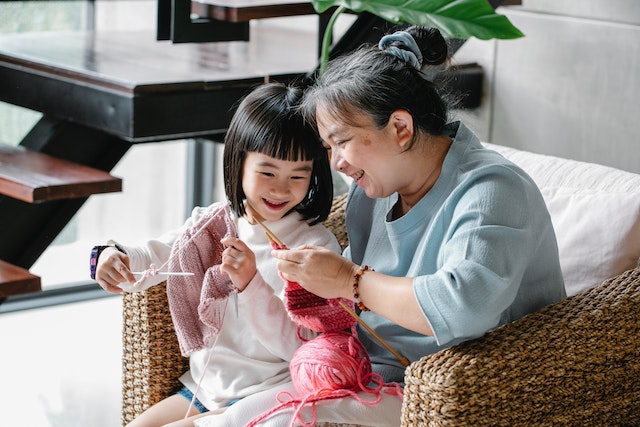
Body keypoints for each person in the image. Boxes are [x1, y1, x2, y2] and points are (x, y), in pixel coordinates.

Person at [193, 26, 566, 426]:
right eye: (328, 148)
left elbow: (466, 306)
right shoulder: (375, 191)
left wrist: (348, 280)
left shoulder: (493, 190)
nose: (335, 163)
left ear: (400, 129)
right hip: (361, 373)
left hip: (449, 391)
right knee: (228, 417)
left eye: (341, 141)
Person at [91, 82, 340, 427]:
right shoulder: (210, 226)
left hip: (270, 394)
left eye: (299, 176)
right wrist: (108, 257)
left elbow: (300, 346)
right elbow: (153, 258)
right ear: (238, 162)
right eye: (267, 172)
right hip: (204, 389)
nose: (281, 189)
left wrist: (251, 283)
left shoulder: (314, 248)